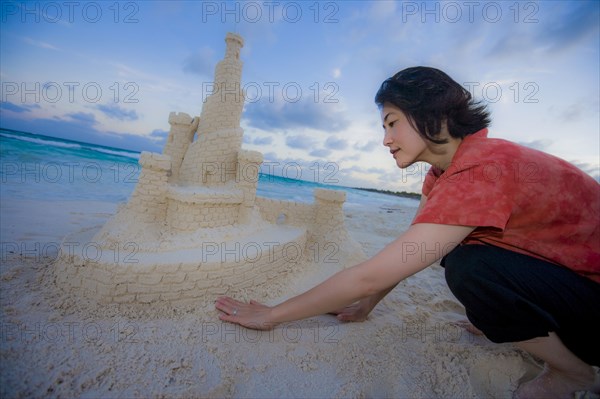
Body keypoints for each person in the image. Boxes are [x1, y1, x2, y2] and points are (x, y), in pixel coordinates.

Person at [215, 66, 600, 398]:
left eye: (393, 122)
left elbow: (371, 275)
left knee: (470, 267)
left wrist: (274, 315)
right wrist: (368, 305)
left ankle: (573, 372)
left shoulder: (484, 169)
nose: (385, 139)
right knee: (452, 250)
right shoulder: (444, 173)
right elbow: (407, 253)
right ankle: (517, 322)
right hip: (571, 286)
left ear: (433, 116)